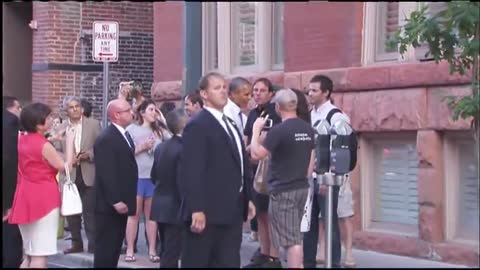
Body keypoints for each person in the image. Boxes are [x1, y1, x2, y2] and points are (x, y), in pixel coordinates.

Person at [179, 72, 255, 268]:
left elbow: (241, 163)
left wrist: (249, 197)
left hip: (232, 210)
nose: (223, 91)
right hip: (207, 212)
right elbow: (192, 169)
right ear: (204, 94)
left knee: (229, 261)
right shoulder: (198, 125)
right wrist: (196, 208)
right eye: (216, 88)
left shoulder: (230, 122)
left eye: (224, 87)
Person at [250, 88, 316, 268]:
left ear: (278, 107)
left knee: (291, 240)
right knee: (295, 235)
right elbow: (311, 161)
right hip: (301, 187)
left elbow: (256, 155)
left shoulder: (279, 131)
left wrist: (256, 131)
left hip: (283, 189)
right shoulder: (308, 129)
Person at [8, 102, 74, 268]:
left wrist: (53, 138)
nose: (52, 119)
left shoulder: (20, 139)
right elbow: (65, 167)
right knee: (39, 255)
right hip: (44, 199)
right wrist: (69, 143)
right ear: (39, 123)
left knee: (29, 254)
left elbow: (34, 145)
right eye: (49, 117)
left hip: (23, 196)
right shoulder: (44, 145)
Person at [303, 74, 351, 268]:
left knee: (330, 222)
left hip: (326, 179)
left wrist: (328, 177)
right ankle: (308, 263)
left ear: (326, 92)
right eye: (309, 90)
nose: (310, 93)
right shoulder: (309, 114)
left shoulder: (336, 116)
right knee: (308, 223)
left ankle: (334, 263)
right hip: (309, 177)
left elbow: (340, 150)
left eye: (314, 90)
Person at [93, 99, 138, 268]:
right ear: (117, 115)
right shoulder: (107, 138)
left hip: (122, 202)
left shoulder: (123, 135)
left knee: (114, 249)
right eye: (127, 110)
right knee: (106, 249)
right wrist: (115, 200)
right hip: (109, 206)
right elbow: (106, 172)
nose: (131, 113)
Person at [124, 99, 169, 263]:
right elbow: (125, 152)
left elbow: (172, 143)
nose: (154, 113)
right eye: (151, 109)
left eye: (156, 110)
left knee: (152, 216)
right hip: (136, 177)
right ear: (142, 112)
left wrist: (163, 121)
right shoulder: (131, 129)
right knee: (134, 215)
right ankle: (130, 249)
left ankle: (152, 250)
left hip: (152, 177)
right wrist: (142, 146)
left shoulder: (159, 131)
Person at [243, 77, 282, 268]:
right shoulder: (252, 114)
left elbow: (267, 139)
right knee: (260, 215)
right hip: (252, 168)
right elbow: (247, 136)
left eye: (261, 90)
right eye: (255, 90)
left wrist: (252, 147)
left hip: (267, 169)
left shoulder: (274, 113)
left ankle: (274, 257)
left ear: (271, 93)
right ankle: (264, 252)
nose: (257, 94)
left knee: (271, 215)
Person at [57, 96, 101, 254]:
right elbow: (55, 151)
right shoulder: (60, 128)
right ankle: (76, 243)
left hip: (88, 172)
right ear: (66, 110)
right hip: (70, 174)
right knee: (72, 211)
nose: (75, 109)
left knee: (90, 210)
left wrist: (88, 155)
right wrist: (69, 159)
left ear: (82, 108)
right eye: (71, 107)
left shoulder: (94, 124)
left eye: (77, 106)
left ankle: (94, 244)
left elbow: (100, 147)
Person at [150, 108, 189, 268]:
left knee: (167, 249)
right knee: (172, 253)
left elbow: (154, 175)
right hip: (176, 207)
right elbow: (183, 182)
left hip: (160, 204)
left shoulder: (161, 147)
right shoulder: (184, 148)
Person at [2, 96, 23, 268]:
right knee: (10, 242)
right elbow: (8, 162)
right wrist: (8, 202)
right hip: (7, 195)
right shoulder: (10, 122)